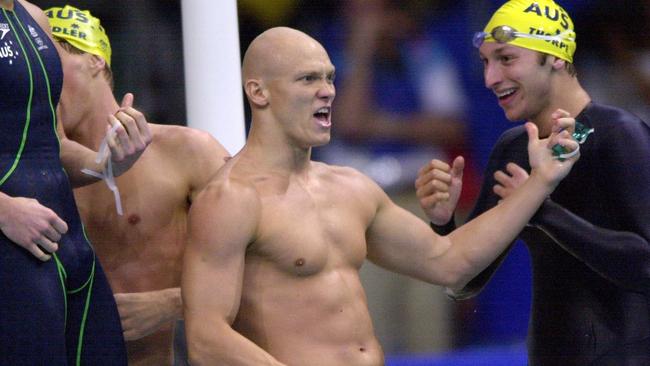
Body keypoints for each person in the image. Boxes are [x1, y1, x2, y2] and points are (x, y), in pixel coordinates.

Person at [181, 26, 580, 366]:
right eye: (308, 79)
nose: (327, 92)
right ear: (259, 92)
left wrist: (540, 182)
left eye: (330, 77)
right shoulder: (230, 199)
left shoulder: (350, 188)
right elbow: (205, 337)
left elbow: (450, 262)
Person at [415, 0, 650, 364]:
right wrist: (443, 222)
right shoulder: (514, 149)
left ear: (555, 57)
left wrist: (542, 211)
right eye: (486, 62)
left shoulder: (619, 136)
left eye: (506, 59)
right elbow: (462, 280)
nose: (490, 78)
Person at [44, 5, 230, 365]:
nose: (42, 82)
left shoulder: (188, 152)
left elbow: (267, 258)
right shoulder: (29, 168)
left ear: (94, 61)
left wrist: (171, 303)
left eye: (51, 65)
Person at [0, 0, 152, 365]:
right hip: (13, 240)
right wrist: (3, 209)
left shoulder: (34, 17)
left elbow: (49, 144)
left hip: (66, 242)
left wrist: (109, 163)